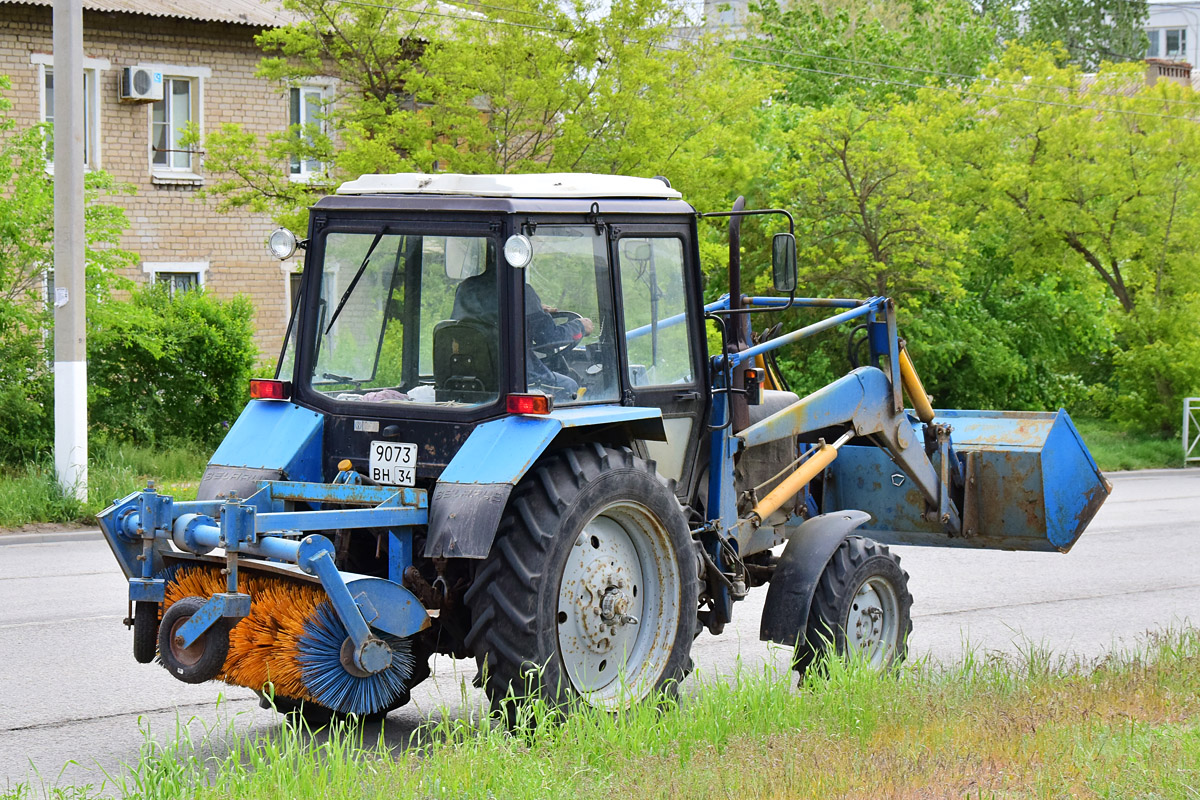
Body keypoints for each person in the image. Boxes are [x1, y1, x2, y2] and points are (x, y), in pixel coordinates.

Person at [452, 261, 593, 399]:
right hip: (515, 378)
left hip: (471, 375)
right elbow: (549, 338)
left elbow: (489, 317)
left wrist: (536, 311)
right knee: (570, 385)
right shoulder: (519, 290)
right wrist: (579, 326)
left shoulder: (466, 288)